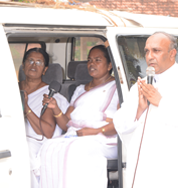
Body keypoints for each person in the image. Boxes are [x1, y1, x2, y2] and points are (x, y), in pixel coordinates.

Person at [113, 32, 178, 188]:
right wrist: (139, 110)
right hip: (145, 171)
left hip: (175, 170)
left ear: (172, 53)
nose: (149, 56)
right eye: (146, 51)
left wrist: (161, 102)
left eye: (156, 50)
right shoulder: (140, 86)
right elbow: (120, 123)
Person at [39, 45, 119, 188]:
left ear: (109, 65)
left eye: (97, 60)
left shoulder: (117, 88)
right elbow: (66, 125)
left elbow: (122, 123)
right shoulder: (80, 89)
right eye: (89, 60)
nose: (91, 64)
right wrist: (55, 108)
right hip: (77, 135)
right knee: (48, 147)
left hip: (104, 137)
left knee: (74, 149)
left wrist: (94, 131)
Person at [19, 48, 69, 188]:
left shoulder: (49, 95)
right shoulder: (12, 88)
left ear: (45, 69)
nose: (34, 65)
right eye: (30, 61)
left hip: (34, 143)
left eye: (39, 62)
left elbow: (46, 132)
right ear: (23, 65)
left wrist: (26, 107)